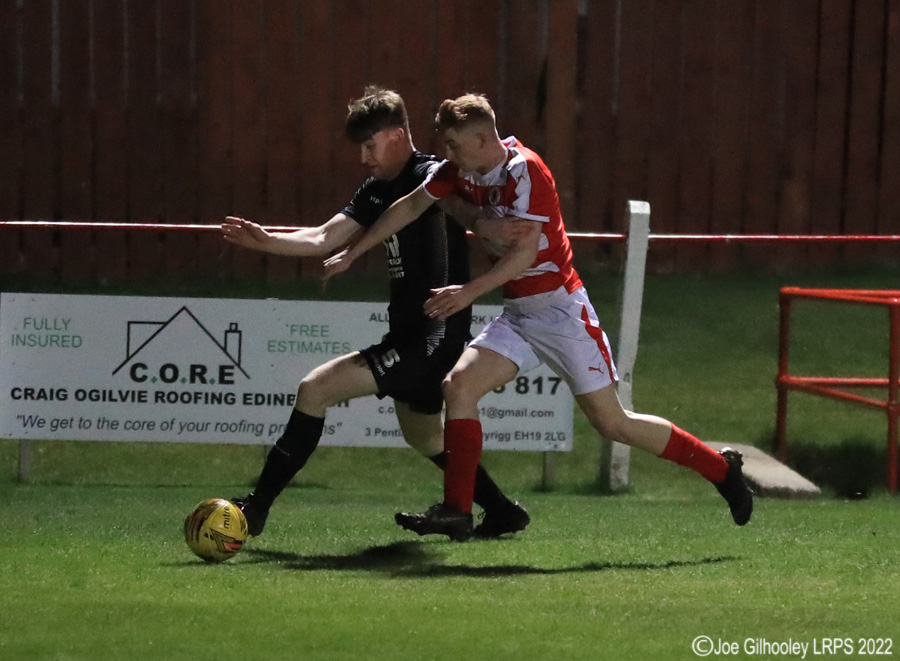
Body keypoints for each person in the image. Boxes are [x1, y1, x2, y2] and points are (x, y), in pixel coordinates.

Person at [324, 93, 753, 541]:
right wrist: (354, 252)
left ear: (481, 138)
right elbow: (410, 205)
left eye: (453, 145)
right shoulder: (461, 170)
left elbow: (523, 255)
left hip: (561, 311)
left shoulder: (524, 171)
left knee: (612, 423)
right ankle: (457, 509)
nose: (446, 156)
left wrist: (466, 292)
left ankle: (722, 470)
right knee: (458, 386)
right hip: (520, 314)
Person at [221, 86, 529, 540]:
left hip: (432, 336)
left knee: (315, 389)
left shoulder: (435, 174)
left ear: (399, 134)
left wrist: (493, 225)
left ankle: (255, 510)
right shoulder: (376, 189)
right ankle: (502, 511)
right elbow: (325, 237)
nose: (364, 157)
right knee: (424, 437)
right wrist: (265, 241)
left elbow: (470, 206)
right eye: (360, 148)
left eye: (371, 145)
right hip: (410, 333)